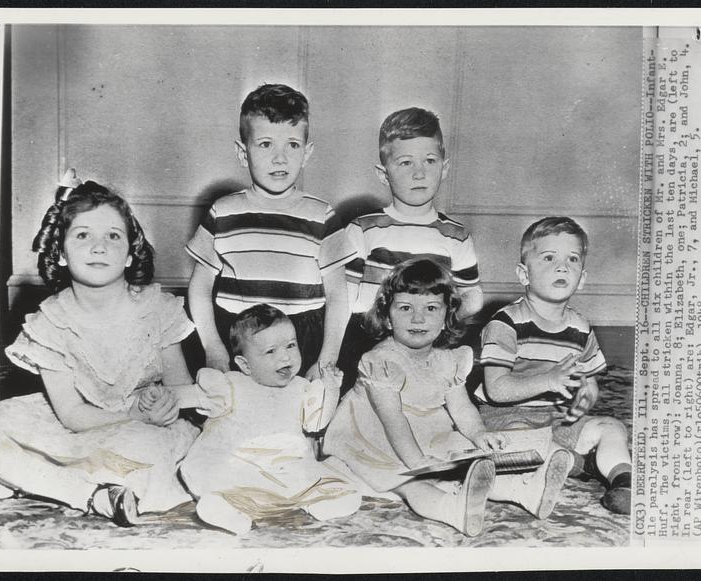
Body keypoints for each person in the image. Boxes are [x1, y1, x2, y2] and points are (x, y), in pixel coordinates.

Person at [0, 171, 222, 526]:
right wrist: (131, 416)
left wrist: (168, 404)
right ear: (60, 253)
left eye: (113, 236)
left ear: (131, 255)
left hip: (142, 430)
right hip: (78, 426)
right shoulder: (50, 322)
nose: (98, 246)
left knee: (150, 450)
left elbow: (179, 386)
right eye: (83, 235)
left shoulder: (156, 309)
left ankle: (78, 484)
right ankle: (84, 492)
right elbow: (71, 413)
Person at [324, 259, 574, 537]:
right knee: (412, 483)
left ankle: (526, 491)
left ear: (446, 318)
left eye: (431, 309)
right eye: (405, 308)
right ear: (387, 316)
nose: (417, 319)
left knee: (476, 461)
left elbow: (461, 406)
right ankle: (452, 509)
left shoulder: (447, 360)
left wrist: (479, 433)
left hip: (429, 431)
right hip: (377, 439)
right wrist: (417, 461)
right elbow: (392, 420)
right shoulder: (380, 361)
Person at [186, 83, 355, 379]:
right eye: (265, 145)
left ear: (307, 152)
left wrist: (326, 359)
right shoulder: (222, 212)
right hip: (237, 336)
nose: (280, 158)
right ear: (242, 153)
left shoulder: (321, 215)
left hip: (300, 339)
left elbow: (339, 296)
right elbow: (199, 289)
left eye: (292, 145)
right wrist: (212, 345)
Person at [475, 217, 633, 514]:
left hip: (557, 418)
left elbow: (589, 381)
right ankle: (580, 463)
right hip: (507, 417)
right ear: (524, 274)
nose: (562, 267)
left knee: (611, 426)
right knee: (519, 442)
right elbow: (496, 390)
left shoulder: (581, 327)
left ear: (582, 278)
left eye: (572, 259)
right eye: (548, 258)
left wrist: (584, 398)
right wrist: (548, 380)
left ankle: (624, 480)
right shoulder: (506, 323)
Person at [179, 304, 361, 535]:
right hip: (238, 461)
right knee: (216, 477)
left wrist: (331, 389)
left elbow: (317, 423)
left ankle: (316, 500)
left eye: (291, 345)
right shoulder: (232, 384)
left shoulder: (301, 387)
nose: (285, 356)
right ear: (244, 365)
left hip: (286, 464)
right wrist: (168, 397)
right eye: (271, 351)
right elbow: (193, 396)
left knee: (339, 487)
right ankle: (227, 511)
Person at [337, 107, 483, 393]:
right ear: (383, 173)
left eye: (430, 160)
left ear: (445, 167)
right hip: (369, 340)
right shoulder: (364, 229)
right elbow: (343, 297)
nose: (419, 173)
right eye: (405, 163)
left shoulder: (455, 235)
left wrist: (442, 318)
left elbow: (473, 295)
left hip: (426, 341)